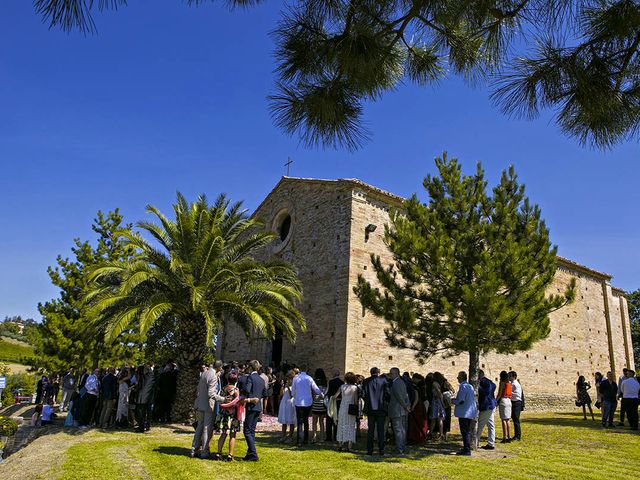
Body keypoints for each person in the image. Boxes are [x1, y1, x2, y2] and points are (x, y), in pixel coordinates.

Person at [191, 363, 226, 458]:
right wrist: (223, 399)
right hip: (208, 405)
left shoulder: (204, 373)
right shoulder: (213, 376)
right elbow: (211, 394)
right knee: (207, 428)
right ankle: (204, 452)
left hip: (200, 403)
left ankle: (194, 449)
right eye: (221, 367)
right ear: (218, 367)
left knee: (199, 426)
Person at [241, 359, 266, 461]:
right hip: (258, 407)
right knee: (252, 431)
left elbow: (247, 389)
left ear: (251, 367)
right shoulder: (261, 379)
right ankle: (250, 453)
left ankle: (253, 453)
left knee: (247, 430)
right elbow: (265, 393)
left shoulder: (250, 377)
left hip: (251, 406)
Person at [291, 364, 322, 447]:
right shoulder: (309, 378)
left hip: (299, 401)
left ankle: (299, 441)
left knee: (300, 421)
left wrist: (295, 396)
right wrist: (321, 393)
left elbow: (293, 390)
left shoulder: (296, 378)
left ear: (300, 369)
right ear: (307, 369)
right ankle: (305, 439)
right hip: (307, 402)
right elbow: (315, 388)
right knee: (306, 420)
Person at [362, 366, 388, 456]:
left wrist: (368, 401)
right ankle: (381, 450)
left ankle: (370, 450)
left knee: (371, 430)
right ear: (378, 373)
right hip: (381, 408)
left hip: (370, 408)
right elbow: (387, 394)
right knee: (381, 430)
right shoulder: (383, 381)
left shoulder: (366, 381)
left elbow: (363, 394)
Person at [216, 371, 241, 462]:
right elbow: (237, 402)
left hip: (223, 414)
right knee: (232, 435)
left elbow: (220, 400)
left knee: (223, 434)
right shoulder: (236, 390)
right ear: (236, 380)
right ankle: (230, 454)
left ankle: (218, 453)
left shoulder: (223, 388)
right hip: (232, 415)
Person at [452, 371, 477, 456]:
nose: (457, 378)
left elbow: (461, 400)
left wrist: (452, 401)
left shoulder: (463, 387)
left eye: (458, 377)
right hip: (470, 412)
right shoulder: (470, 386)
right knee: (467, 431)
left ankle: (467, 450)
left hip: (464, 412)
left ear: (462, 378)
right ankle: (466, 447)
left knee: (465, 432)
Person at [333, 371, 359, 452]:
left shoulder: (342, 387)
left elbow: (335, 397)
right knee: (351, 425)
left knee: (341, 424)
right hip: (351, 407)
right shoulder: (354, 388)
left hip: (343, 407)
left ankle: (340, 444)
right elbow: (355, 400)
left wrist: (337, 399)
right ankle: (349, 445)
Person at [388, 367, 410, 455]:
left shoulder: (396, 383)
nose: (390, 375)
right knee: (402, 430)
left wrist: (406, 406)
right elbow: (406, 395)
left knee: (398, 430)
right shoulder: (401, 382)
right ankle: (402, 447)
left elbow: (399, 397)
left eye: (391, 374)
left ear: (397, 374)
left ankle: (399, 449)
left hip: (398, 410)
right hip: (402, 410)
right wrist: (407, 405)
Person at [476, 369, 497, 450]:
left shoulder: (484, 382)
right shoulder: (488, 381)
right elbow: (493, 386)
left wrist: (478, 387)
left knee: (480, 424)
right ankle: (491, 443)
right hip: (491, 404)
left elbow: (487, 391)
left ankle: (475, 442)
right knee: (491, 424)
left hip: (487, 406)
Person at [277, 371, 297, 443]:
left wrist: (288, 387)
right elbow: (281, 394)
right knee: (284, 420)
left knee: (291, 420)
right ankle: (283, 436)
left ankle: (290, 437)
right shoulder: (286, 385)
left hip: (290, 403)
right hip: (284, 403)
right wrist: (282, 386)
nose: (288, 380)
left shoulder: (294, 386)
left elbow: (291, 395)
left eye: (289, 379)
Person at [325, 369, 344, 442]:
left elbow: (328, 392)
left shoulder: (331, 382)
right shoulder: (342, 382)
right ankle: (336, 436)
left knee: (329, 418)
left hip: (332, 401)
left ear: (335, 374)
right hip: (339, 402)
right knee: (337, 419)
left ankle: (329, 437)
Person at [311, 368, 327, 443]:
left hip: (315, 403)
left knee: (314, 421)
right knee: (321, 422)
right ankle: (322, 437)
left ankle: (314, 436)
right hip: (322, 403)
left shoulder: (314, 382)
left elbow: (313, 393)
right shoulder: (325, 383)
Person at [496, 370, 512, 442]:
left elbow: (499, 394)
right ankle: (509, 436)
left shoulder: (502, 383)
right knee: (508, 419)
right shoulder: (509, 383)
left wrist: (495, 401)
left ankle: (504, 437)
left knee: (503, 419)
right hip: (509, 400)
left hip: (503, 400)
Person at [430, 373, 446, 440]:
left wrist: (442, 402)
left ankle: (431, 433)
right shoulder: (438, 383)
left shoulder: (434, 383)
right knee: (439, 419)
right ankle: (441, 434)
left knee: (434, 419)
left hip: (436, 402)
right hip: (437, 402)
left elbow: (439, 393)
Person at [509, 371, 524, 441]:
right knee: (514, 419)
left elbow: (517, 395)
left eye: (510, 376)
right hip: (514, 402)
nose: (509, 377)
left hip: (516, 403)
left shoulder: (515, 384)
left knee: (516, 420)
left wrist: (509, 393)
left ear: (514, 377)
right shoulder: (512, 384)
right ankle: (516, 435)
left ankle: (518, 436)